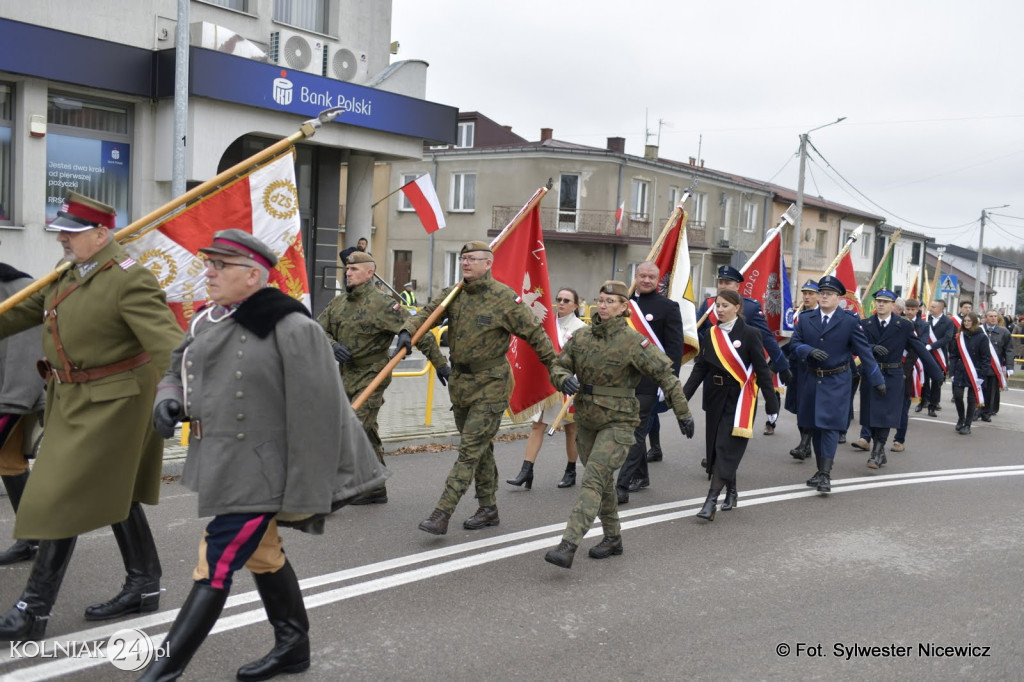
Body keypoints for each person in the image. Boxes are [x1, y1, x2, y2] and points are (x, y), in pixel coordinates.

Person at [141, 230, 385, 680]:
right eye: (208, 264)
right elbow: (177, 366)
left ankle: (159, 672)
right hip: (226, 464)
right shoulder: (208, 319)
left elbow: (320, 415)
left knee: (214, 561)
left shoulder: (292, 326)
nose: (208, 273)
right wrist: (168, 400)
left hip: (265, 473)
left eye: (219, 266)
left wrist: (307, 490)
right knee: (264, 554)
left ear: (253, 275)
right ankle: (293, 646)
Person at [0, 192, 182, 641]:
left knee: (63, 495)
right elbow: (19, 313)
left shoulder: (129, 279)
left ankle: (32, 610)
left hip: (118, 402)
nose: (62, 236)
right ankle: (144, 582)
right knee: (112, 491)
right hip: (73, 399)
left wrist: (180, 391)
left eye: (73, 231)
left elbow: (168, 342)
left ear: (101, 235)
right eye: (62, 228)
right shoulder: (66, 275)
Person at [406, 241, 572, 536]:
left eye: (472, 259)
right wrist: (408, 333)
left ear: (488, 263)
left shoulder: (503, 298)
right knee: (480, 448)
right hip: (461, 384)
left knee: (469, 450)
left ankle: (442, 512)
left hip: (492, 383)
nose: (466, 263)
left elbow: (537, 336)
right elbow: (425, 316)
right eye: (463, 258)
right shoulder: (453, 294)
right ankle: (488, 508)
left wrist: (557, 373)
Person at [543, 281, 694, 569]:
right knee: (601, 484)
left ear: (624, 307)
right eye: (601, 300)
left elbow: (666, 375)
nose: (604, 305)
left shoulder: (633, 341)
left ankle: (568, 543)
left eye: (611, 301)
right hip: (587, 420)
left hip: (619, 422)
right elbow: (558, 366)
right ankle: (613, 538)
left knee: (592, 480)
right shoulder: (582, 337)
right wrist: (562, 379)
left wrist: (682, 412)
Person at [316, 251, 448, 504]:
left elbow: (419, 331)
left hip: (373, 375)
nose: (348, 273)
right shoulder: (338, 303)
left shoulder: (384, 305)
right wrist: (332, 344)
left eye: (354, 270)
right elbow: (318, 329)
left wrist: (441, 365)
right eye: (347, 270)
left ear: (369, 273)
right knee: (367, 433)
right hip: (346, 375)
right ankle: (375, 487)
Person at [683, 289, 778, 521]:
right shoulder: (711, 334)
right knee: (717, 447)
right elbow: (700, 368)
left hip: (740, 398)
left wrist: (771, 402)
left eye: (725, 305)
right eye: (718, 305)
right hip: (715, 396)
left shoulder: (750, 333)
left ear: (737, 307)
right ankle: (732, 491)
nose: (720, 309)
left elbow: (761, 369)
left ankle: (711, 501)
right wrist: (682, 396)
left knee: (727, 446)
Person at [788, 276, 883, 493]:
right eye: (821, 293)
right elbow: (795, 343)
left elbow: (864, 351)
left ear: (838, 298)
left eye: (829, 294)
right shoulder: (805, 318)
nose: (823, 296)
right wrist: (807, 351)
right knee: (814, 425)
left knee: (829, 426)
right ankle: (820, 470)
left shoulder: (849, 321)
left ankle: (825, 474)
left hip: (837, 380)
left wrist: (877, 379)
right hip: (812, 379)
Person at [696, 265, 792, 436]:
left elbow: (766, 337)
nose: (723, 286)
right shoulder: (709, 305)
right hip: (713, 368)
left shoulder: (751, 307)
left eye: (728, 282)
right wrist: (707, 347)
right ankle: (716, 450)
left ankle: (725, 449)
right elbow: (698, 331)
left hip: (738, 371)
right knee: (713, 412)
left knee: (734, 413)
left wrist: (782, 365)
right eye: (721, 282)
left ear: (737, 286)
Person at [507, 287, 587, 489]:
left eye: (566, 300)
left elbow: (583, 360)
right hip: (546, 383)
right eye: (559, 299)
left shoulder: (581, 328)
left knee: (571, 430)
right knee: (537, 426)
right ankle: (527, 471)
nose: (561, 303)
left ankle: (570, 471)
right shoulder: (546, 324)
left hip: (568, 384)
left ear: (576, 305)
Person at [616, 261, 682, 504]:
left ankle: (622, 483)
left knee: (634, 431)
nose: (646, 280)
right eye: (642, 275)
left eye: (651, 277)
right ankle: (642, 476)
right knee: (632, 429)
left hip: (649, 380)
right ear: (636, 276)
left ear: (658, 280)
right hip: (624, 379)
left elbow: (674, 350)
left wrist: (669, 382)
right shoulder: (624, 305)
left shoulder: (668, 307)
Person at [853, 290, 942, 469]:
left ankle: (877, 452)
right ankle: (879, 451)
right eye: (878, 301)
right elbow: (855, 344)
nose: (881, 304)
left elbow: (918, 347)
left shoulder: (903, 325)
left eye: (885, 302)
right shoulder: (865, 323)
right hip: (871, 373)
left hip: (892, 374)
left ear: (893, 305)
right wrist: (872, 347)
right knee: (871, 413)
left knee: (885, 414)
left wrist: (936, 372)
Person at [0, 260, 45, 565]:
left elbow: (25, 348)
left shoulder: (17, 286)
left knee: (9, 461)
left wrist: (14, 399)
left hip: (13, 392)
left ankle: (35, 537)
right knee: (8, 463)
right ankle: (34, 537)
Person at [785, 279, 819, 461]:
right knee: (798, 407)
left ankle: (805, 444)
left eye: (811, 294)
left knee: (809, 408)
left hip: (812, 368)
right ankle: (804, 444)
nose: (807, 297)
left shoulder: (821, 316)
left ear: (819, 296)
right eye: (804, 293)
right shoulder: (796, 315)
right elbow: (787, 342)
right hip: (796, 368)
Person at [892, 298, 929, 451]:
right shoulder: (897, 322)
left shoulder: (923, 325)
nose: (909, 312)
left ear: (917, 310)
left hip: (910, 368)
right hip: (894, 366)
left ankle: (899, 440)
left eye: (913, 309)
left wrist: (905, 371)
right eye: (907, 308)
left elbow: (918, 348)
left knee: (904, 406)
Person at [948, 311, 990, 435]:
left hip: (975, 371)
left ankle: (968, 424)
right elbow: (954, 355)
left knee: (972, 399)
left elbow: (986, 358)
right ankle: (961, 418)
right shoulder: (959, 336)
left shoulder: (982, 337)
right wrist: (952, 371)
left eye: (969, 321)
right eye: (964, 321)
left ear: (974, 322)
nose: (966, 323)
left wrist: (982, 375)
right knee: (958, 396)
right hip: (960, 370)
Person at [917, 299, 954, 417]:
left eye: (933, 307)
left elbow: (947, 338)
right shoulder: (925, 319)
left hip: (939, 355)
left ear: (940, 309)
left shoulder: (948, 322)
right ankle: (923, 401)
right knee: (924, 379)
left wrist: (931, 346)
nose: (930, 308)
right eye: (930, 306)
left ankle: (933, 405)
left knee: (936, 381)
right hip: (924, 354)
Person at [978, 310, 1013, 421]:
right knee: (977, 390)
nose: (993, 318)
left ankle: (987, 413)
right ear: (986, 317)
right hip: (979, 366)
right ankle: (976, 411)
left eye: (995, 316)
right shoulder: (979, 330)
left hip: (994, 368)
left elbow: (1009, 350)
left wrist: (1009, 366)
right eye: (991, 316)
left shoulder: (1004, 332)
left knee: (990, 391)